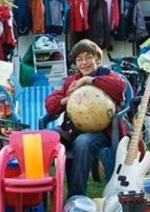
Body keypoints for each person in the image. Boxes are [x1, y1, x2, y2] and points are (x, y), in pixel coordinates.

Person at [44, 39, 127, 197]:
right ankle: (42, 197)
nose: (84, 62)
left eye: (88, 57)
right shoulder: (71, 82)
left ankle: (76, 196)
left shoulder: (107, 75)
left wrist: (89, 80)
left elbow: (119, 87)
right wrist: (66, 100)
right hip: (73, 131)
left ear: (97, 58)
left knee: (83, 143)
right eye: (79, 59)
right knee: (45, 140)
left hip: (103, 132)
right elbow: (50, 104)